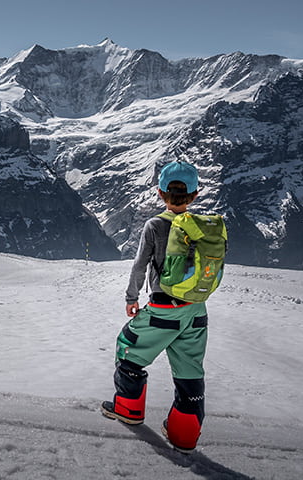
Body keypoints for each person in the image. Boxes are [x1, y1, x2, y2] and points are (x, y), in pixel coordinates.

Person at [101, 161, 211, 453]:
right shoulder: (202, 227)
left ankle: (129, 409)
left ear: (161, 194)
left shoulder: (155, 225)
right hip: (197, 312)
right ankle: (184, 435)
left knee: (129, 346)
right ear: (194, 195)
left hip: (164, 309)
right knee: (189, 370)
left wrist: (131, 298)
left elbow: (140, 266)